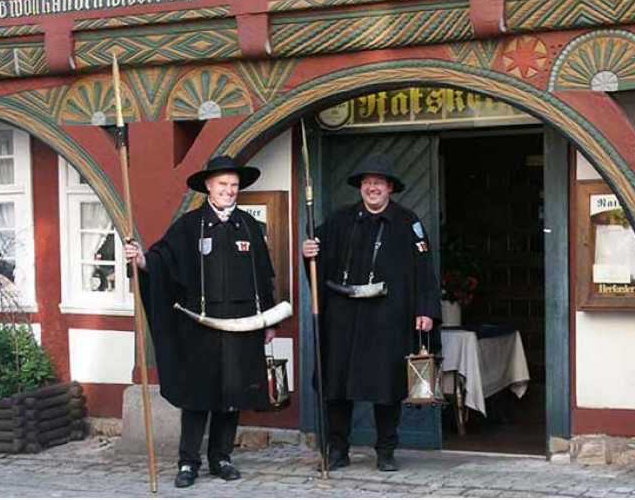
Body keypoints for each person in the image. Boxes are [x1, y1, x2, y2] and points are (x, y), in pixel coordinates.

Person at [125, 155, 277, 488]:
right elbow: (163, 261)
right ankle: (187, 462)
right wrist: (142, 260)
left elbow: (265, 278)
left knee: (232, 394)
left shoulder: (251, 228)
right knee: (198, 396)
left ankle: (221, 457)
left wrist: (268, 320)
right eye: (223, 184)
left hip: (241, 325)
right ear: (208, 186)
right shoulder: (189, 225)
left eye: (234, 185)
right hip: (199, 328)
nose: (229, 191)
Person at [302, 153, 441, 472]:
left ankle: (386, 450)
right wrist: (309, 252)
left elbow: (424, 269)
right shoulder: (339, 220)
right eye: (367, 183)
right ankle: (337, 450)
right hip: (342, 318)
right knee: (336, 386)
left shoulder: (409, 223)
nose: (372, 188)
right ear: (360, 188)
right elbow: (316, 257)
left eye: (378, 182)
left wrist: (426, 308)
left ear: (390, 187)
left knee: (386, 387)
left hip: (387, 318)